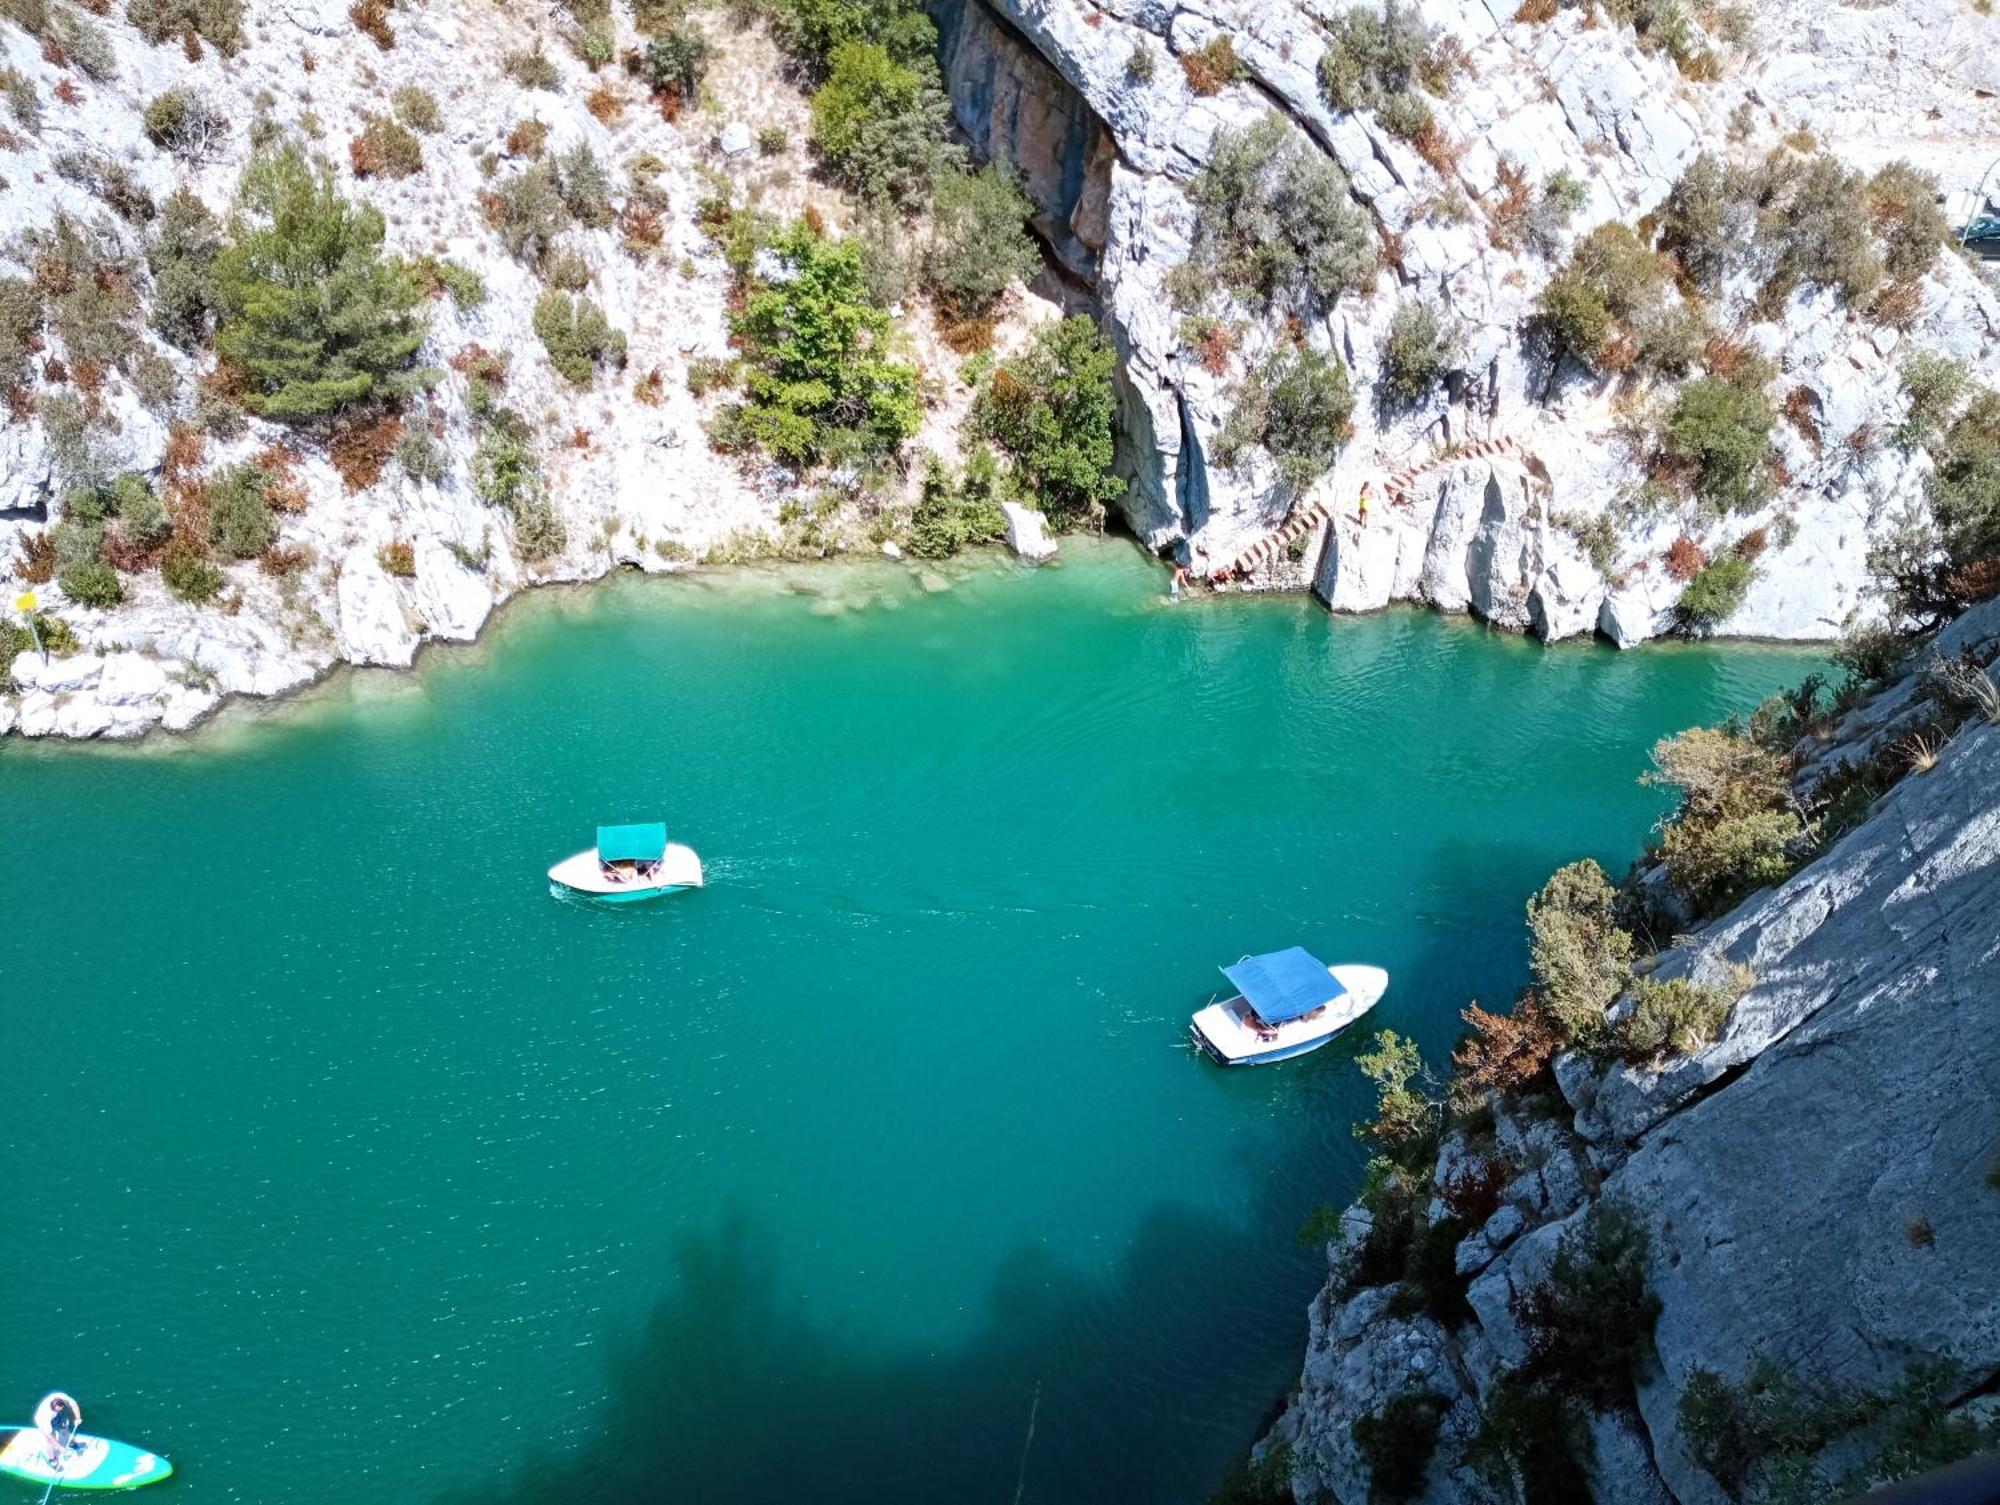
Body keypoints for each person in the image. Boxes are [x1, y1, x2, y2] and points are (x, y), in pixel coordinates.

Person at [34, 1392, 81, 1468]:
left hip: (57, 1416)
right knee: (50, 1442)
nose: (57, 1411)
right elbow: (49, 1435)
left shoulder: (60, 1396)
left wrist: (78, 1418)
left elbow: (74, 1405)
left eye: (60, 1409)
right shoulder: (44, 1416)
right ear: (52, 1407)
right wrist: (60, 1447)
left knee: (65, 1431)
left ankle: (72, 1444)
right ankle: (52, 1459)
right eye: (56, 1410)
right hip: (44, 1422)